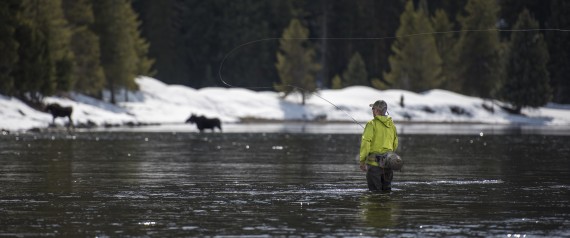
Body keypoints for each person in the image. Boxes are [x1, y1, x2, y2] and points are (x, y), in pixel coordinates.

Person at [359, 100, 399, 192]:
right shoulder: (392, 126)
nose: (372, 111)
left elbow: (365, 143)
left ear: (377, 110)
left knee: (374, 194)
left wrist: (362, 161)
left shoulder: (371, 124)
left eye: (373, 109)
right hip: (388, 164)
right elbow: (395, 144)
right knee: (387, 192)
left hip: (374, 166)